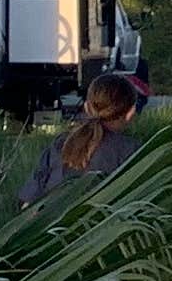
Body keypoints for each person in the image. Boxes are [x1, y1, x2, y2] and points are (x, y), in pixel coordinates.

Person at [27, 70, 145, 199]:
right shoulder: (132, 151)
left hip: (55, 218)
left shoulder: (60, 144)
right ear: (131, 112)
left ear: (87, 107)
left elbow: (29, 201)